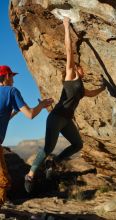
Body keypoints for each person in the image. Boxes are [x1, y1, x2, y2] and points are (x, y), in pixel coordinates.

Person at [25, 17, 106, 193]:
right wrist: (66, 26)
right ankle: (30, 175)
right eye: (81, 66)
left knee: (78, 144)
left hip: (66, 121)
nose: (83, 68)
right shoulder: (70, 75)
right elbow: (69, 51)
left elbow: (92, 93)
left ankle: (53, 162)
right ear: (76, 68)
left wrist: (105, 87)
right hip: (56, 117)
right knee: (48, 147)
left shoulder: (81, 89)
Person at [0, 65, 53, 207]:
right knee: (3, 182)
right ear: (6, 77)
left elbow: (4, 116)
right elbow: (30, 115)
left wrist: (17, 109)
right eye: (12, 76)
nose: (13, 80)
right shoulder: (12, 91)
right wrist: (41, 105)